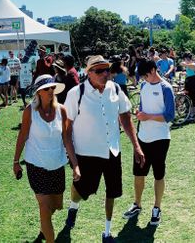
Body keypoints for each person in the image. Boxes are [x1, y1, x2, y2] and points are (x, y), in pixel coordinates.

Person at [62, 56, 141, 243]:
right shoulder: (76, 93)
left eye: (107, 69)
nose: (105, 73)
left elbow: (126, 117)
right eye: (99, 71)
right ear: (89, 73)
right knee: (82, 191)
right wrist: (74, 163)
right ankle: (73, 206)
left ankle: (107, 232)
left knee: (112, 191)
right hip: (86, 153)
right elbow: (66, 131)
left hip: (113, 150)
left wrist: (136, 146)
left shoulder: (115, 89)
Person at [13, 82, 71, 243]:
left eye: (52, 88)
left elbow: (66, 138)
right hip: (36, 164)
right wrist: (16, 161)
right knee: (44, 207)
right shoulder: (29, 111)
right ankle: (49, 236)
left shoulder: (62, 110)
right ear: (38, 92)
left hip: (57, 164)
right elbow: (22, 136)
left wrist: (75, 164)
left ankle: (43, 227)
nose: (51, 91)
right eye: (46, 89)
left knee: (57, 205)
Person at [125, 60, 174, 228]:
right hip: (142, 137)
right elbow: (143, 107)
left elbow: (169, 115)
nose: (143, 79)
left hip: (160, 138)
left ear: (153, 70)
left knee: (158, 175)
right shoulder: (144, 86)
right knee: (138, 173)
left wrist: (149, 117)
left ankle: (157, 208)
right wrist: (140, 114)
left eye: (145, 75)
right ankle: (137, 204)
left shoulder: (166, 88)